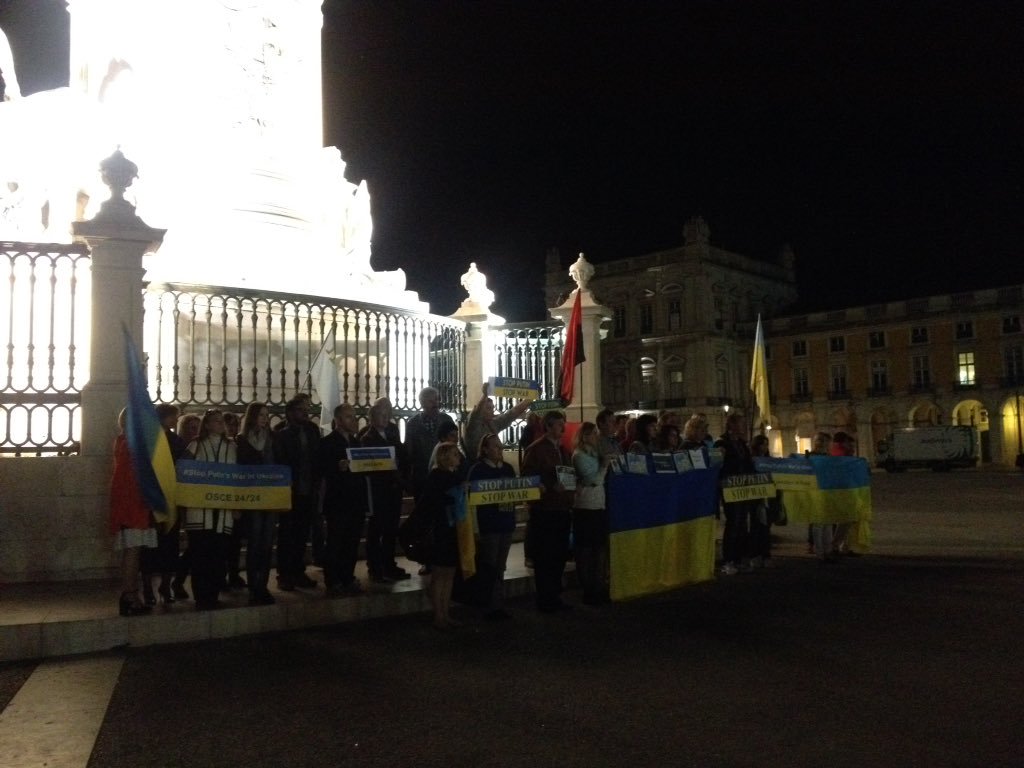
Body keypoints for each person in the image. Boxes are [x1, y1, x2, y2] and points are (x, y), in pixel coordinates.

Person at [183, 409, 237, 610]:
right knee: (200, 554)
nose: (219, 424)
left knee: (218, 555)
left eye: (221, 421)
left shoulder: (232, 446)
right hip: (200, 508)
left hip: (223, 509)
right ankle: (201, 596)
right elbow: (184, 471)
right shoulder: (195, 445)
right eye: (214, 421)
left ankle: (213, 595)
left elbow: (239, 476)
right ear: (206, 424)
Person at [521, 410, 574, 612]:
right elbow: (529, 475)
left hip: (561, 507)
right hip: (546, 509)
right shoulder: (537, 449)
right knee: (546, 555)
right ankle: (545, 597)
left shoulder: (562, 449)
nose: (563, 428)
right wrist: (549, 486)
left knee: (559, 554)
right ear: (549, 426)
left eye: (563, 424)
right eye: (559, 424)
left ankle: (555, 595)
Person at [316, 403, 368, 596]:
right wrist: (337, 466)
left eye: (354, 416)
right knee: (336, 541)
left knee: (352, 541)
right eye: (348, 417)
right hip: (338, 500)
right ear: (338, 420)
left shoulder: (356, 442)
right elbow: (321, 469)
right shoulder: (327, 442)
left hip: (356, 499)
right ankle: (333, 579)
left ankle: (348, 576)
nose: (353, 420)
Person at [466, 433, 518, 620]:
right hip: (489, 524)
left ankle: (497, 603)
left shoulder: (508, 469)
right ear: (485, 449)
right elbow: (472, 502)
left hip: (505, 523)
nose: (499, 450)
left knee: (500, 566)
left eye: (500, 446)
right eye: (495, 446)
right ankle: (487, 604)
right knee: (489, 565)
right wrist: (476, 529)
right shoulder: (478, 470)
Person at [109, 408, 156, 616]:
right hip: (133, 505)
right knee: (133, 551)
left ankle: (131, 594)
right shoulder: (131, 444)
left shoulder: (125, 442)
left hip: (132, 504)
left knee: (134, 552)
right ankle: (129, 596)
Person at [141, 403, 188, 606]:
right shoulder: (150, 440)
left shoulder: (176, 440)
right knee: (151, 545)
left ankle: (165, 585)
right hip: (154, 498)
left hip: (171, 497)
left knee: (170, 544)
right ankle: (148, 587)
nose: (175, 420)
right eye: (172, 417)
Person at [273, 396, 322, 591]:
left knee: (302, 533)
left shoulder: (311, 430)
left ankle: (298, 571)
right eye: (301, 409)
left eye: (307, 408)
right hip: (289, 490)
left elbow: (317, 456)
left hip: (308, 488)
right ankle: (284, 574)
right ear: (290, 412)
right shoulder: (280, 432)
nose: (306, 412)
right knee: (287, 534)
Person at [360, 397, 411, 583]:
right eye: (380, 415)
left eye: (386, 414)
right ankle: (375, 567)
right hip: (378, 489)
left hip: (394, 487)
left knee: (391, 528)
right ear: (372, 418)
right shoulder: (367, 437)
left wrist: (402, 476)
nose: (384, 418)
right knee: (376, 529)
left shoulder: (392, 431)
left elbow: (402, 454)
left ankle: (389, 564)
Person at [235, 402, 279, 605]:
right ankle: (254, 586)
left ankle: (263, 585)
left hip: (269, 497)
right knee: (255, 542)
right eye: (261, 414)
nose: (264, 418)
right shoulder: (241, 440)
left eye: (266, 415)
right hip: (252, 497)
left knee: (267, 542)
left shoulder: (272, 439)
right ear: (252, 416)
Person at [418, 442, 465, 629]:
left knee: (450, 573)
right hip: (441, 529)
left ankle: (446, 612)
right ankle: (439, 615)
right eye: (454, 454)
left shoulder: (453, 475)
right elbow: (435, 502)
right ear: (445, 457)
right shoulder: (437, 476)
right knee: (440, 573)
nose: (458, 457)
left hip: (452, 528)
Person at [572, 422, 612, 605]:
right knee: (587, 550)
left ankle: (598, 585)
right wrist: (604, 466)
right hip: (586, 507)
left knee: (599, 549)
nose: (597, 437)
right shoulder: (579, 456)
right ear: (585, 436)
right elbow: (592, 479)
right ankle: (588, 588)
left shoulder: (594, 454)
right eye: (594, 434)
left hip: (598, 505)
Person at [715, 412, 755, 575]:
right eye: (740, 423)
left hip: (743, 488)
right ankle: (728, 560)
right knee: (733, 523)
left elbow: (748, 464)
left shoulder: (741, 443)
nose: (743, 427)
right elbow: (720, 465)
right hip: (730, 487)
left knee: (742, 524)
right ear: (731, 425)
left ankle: (739, 558)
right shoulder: (721, 443)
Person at [404, 386, 457, 500]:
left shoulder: (446, 420)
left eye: (437, 400)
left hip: (445, 476)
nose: (436, 404)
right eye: (431, 401)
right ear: (422, 403)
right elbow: (409, 452)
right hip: (422, 477)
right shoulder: (413, 424)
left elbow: (455, 445)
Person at [171, 412, 201, 600]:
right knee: (194, 544)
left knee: (197, 544)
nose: (195, 431)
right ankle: (178, 580)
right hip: (186, 500)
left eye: (198, 427)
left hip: (200, 499)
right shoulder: (182, 448)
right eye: (191, 428)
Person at [464, 381, 532, 462]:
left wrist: (530, 398)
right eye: (488, 408)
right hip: (478, 467)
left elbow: (511, 414)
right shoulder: (473, 425)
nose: (492, 411)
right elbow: (477, 414)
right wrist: (485, 395)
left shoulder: (492, 423)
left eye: (492, 408)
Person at [748, 433, 776, 568]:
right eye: (762, 444)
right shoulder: (751, 460)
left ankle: (765, 554)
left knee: (766, 527)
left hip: (767, 497)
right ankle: (755, 554)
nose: (765, 447)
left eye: (766, 444)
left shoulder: (769, 460)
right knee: (756, 527)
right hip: (755, 497)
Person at [829, 430, 858, 557]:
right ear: (843, 443)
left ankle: (844, 546)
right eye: (848, 443)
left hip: (847, 490)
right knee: (846, 520)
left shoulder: (841, 453)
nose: (851, 447)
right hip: (843, 491)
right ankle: (838, 546)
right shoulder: (840, 454)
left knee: (848, 519)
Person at [808, 431, 834, 560]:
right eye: (820, 441)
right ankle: (820, 553)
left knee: (828, 522)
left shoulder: (829, 457)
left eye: (825, 441)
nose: (823, 444)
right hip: (815, 492)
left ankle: (828, 550)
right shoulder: (811, 456)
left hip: (827, 491)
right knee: (818, 523)